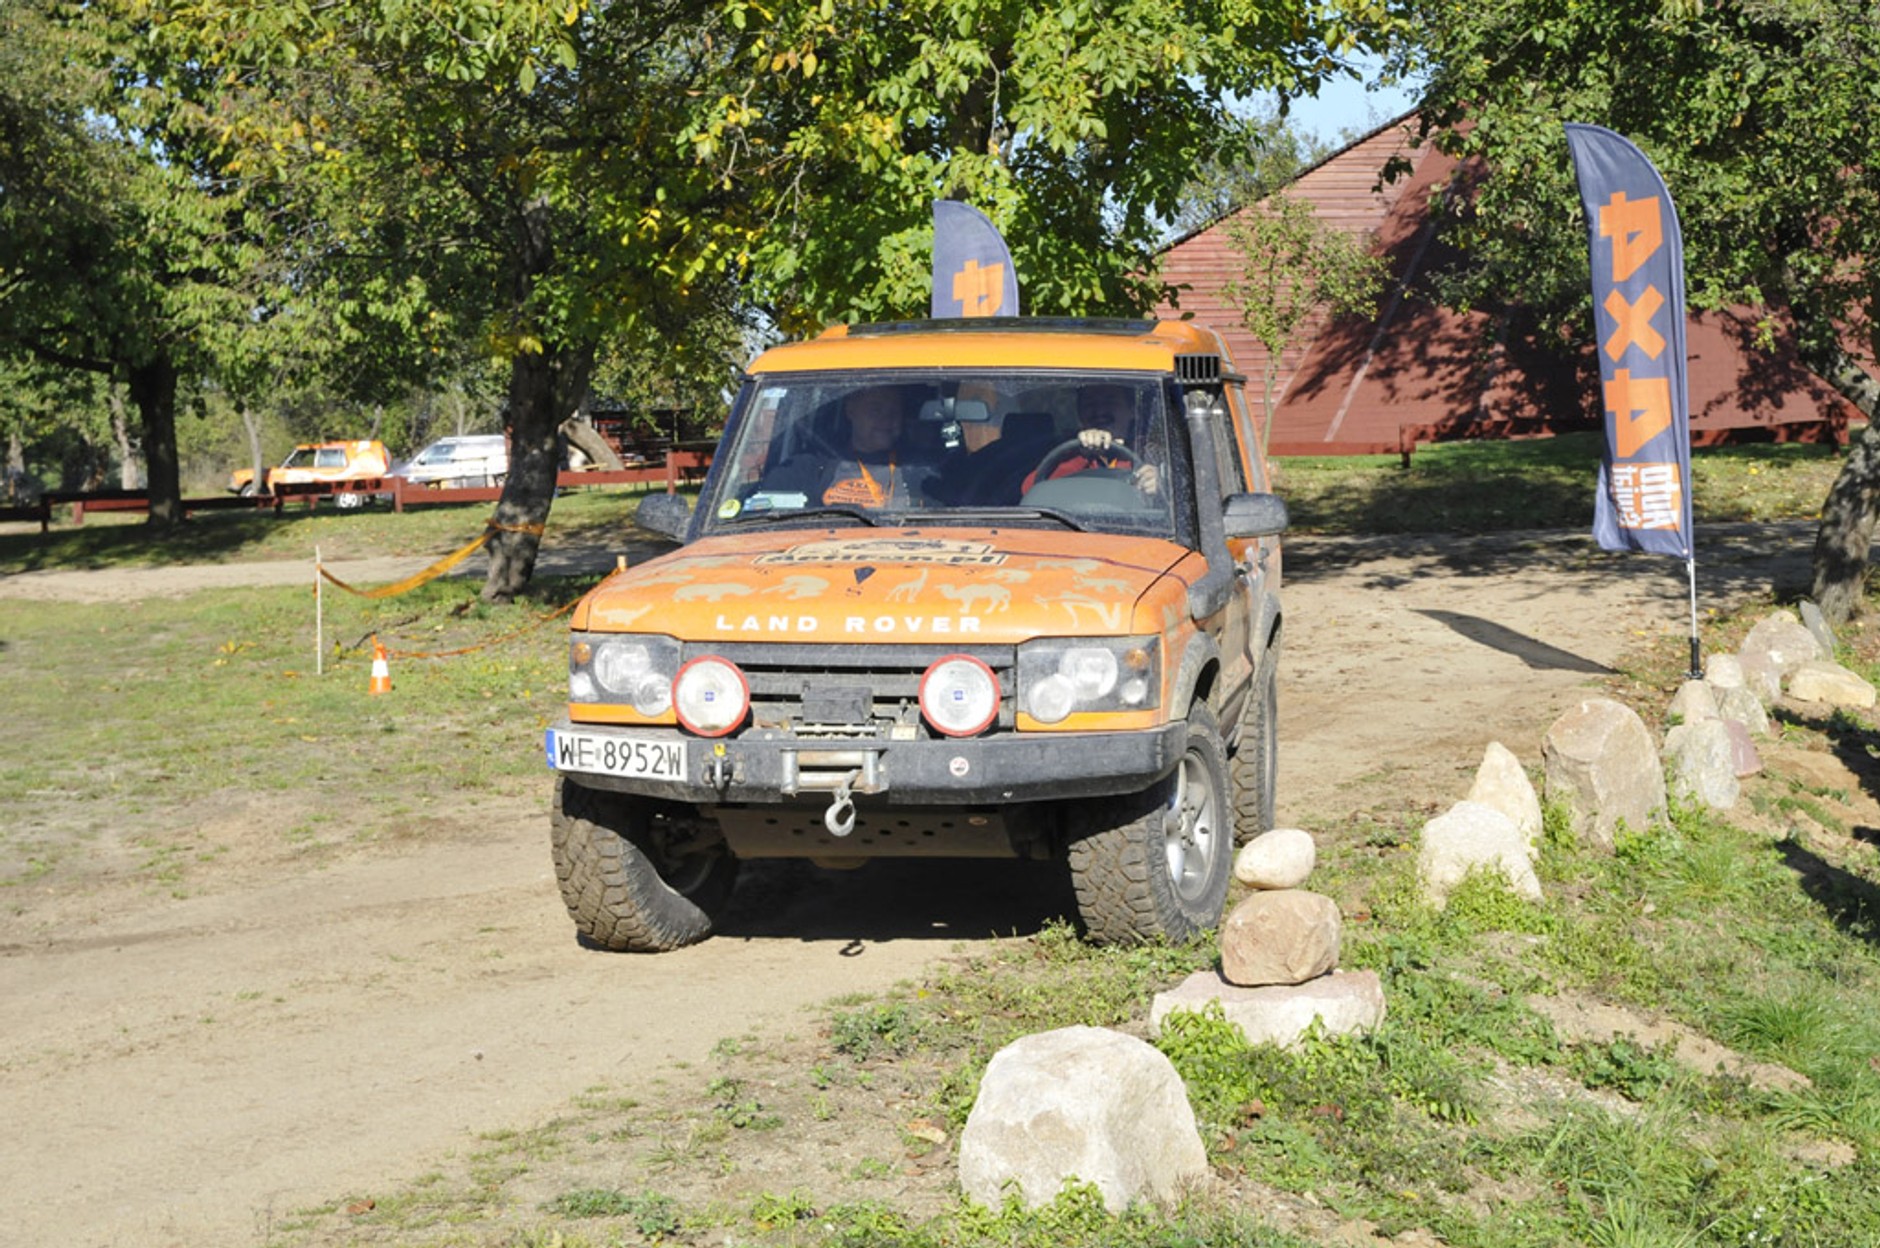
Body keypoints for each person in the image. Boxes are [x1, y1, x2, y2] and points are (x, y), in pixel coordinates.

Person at [762, 386, 934, 508]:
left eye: (894, 411)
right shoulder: (807, 470)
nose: (887, 419)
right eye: (875, 410)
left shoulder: (924, 472)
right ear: (851, 410)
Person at [1019, 383, 1161, 496]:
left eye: (1109, 401)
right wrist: (1081, 454)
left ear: (1132, 410)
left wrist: (1159, 484)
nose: (1099, 411)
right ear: (1080, 413)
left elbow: (1176, 497)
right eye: (1090, 404)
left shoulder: (1151, 451)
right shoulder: (1068, 453)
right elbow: (1030, 490)